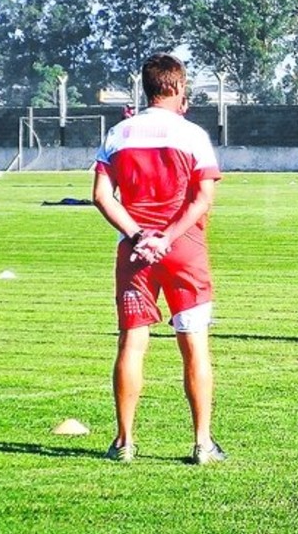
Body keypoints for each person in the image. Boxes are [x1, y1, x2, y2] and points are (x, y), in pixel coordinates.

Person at [92, 53, 226, 464]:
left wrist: (139, 235)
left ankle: (124, 441)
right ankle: (203, 444)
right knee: (195, 347)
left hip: (135, 252)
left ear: (145, 89)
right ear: (179, 88)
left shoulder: (118, 134)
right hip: (184, 250)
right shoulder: (192, 135)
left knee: (132, 343)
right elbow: (204, 198)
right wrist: (166, 236)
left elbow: (100, 196)